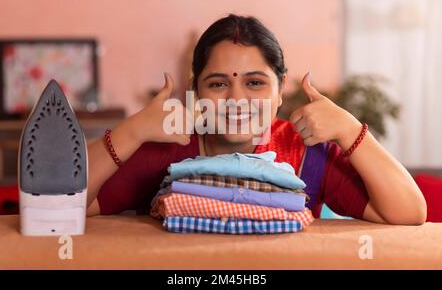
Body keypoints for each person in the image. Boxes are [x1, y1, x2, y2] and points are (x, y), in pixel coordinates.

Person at [86, 14, 426, 225]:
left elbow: (409, 212)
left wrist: (351, 129)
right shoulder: (170, 147)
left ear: (280, 92)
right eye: (218, 83)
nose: (236, 100)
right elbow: (51, 205)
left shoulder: (306, 153)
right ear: (196, 92)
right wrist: (130, 132)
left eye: (255, 83)